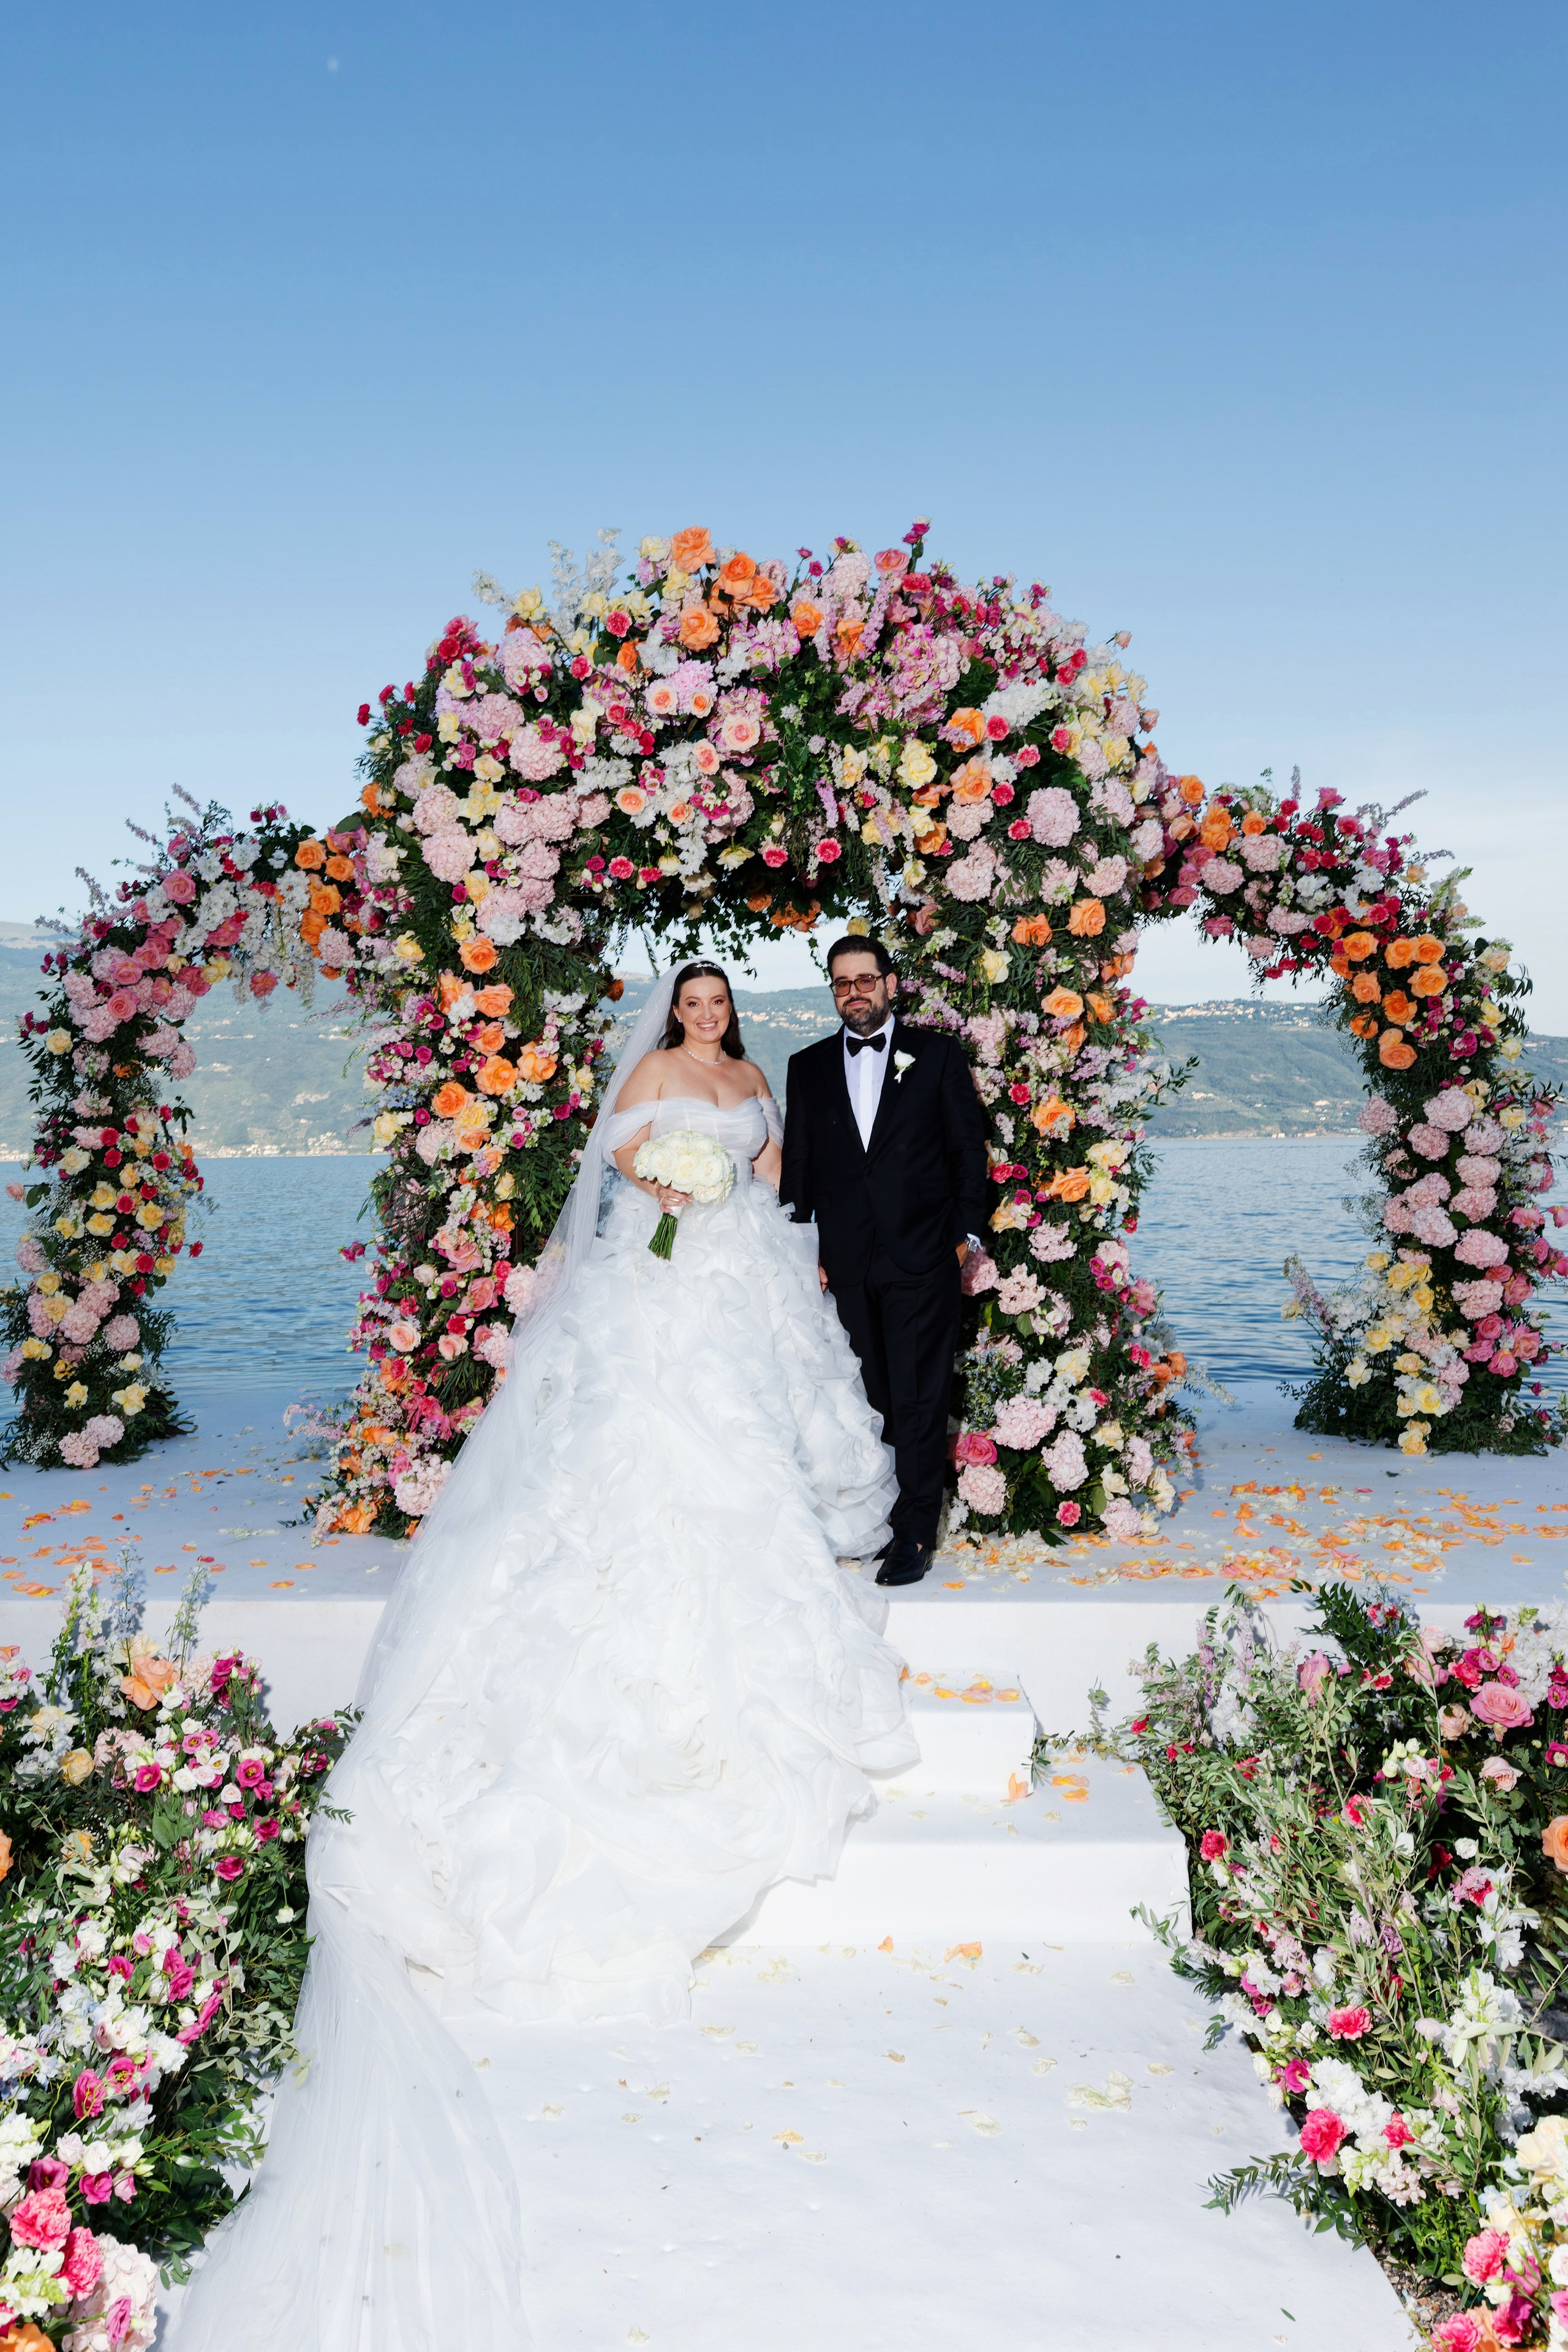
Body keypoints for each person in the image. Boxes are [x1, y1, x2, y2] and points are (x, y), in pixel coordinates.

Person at [169, 961, 915, 2352]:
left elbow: (772, 1190)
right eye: (685, 1003)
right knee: (642, 1469)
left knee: (754, 1458)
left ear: (728, 1015)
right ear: (669, 1013)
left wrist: (740, 1211)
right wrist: (673, 1194)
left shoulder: (760, 1086)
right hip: (659, 1298)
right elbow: (627, 1179)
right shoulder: (646, 1086)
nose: (700, 1020)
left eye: (711, 1005)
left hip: (747, 1288)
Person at [780, 937, 989, 1589]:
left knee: (920, 1397)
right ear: (832, 991)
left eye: (865, 980)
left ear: (890, 984)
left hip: (922, 1256)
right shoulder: (806, 1065)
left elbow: (968, 1154)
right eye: (842, 983)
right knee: (868, 1398)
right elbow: (800, 1170)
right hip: (842, 1262)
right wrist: (801, 1249)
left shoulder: (936, 1054)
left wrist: (963, 1240)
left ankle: (916, 1530)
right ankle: (874, 1517)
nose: (854, 993)